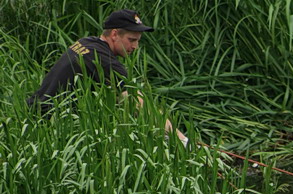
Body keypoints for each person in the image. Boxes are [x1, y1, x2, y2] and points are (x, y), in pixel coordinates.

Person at [26, 9, 188, 145]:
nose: (135, 47)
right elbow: (137, 102)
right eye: (131, 40)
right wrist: (180, 139)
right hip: (50, 126)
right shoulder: (102, 60)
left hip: (34, 116)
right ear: (115, 34)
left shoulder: (87, 43)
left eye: (138, 41)